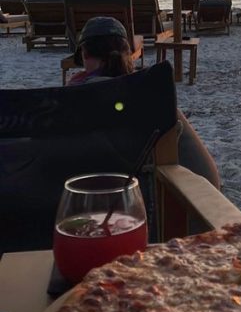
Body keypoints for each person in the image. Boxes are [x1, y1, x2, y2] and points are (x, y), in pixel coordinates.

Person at [67, 16, 221, 189]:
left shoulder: (88, 94)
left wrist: (74, 88)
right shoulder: (148, 90)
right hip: (201, 191)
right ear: (129, 55)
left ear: (84, 54)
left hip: (173, 196)